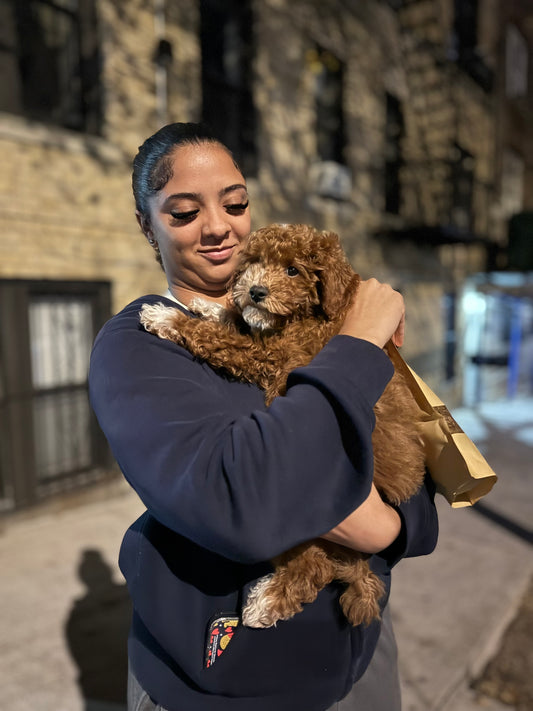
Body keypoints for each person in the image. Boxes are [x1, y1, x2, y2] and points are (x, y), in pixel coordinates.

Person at [88, 122, 438, 711]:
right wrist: (357, 344)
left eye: (235, 202)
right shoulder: (138, 347)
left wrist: (388, 527)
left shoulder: (311, 322)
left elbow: (410, 474)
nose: (219, 226)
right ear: (148, 226)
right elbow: (247, 502)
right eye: (183, 212)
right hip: (223, 685)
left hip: (362, 651)